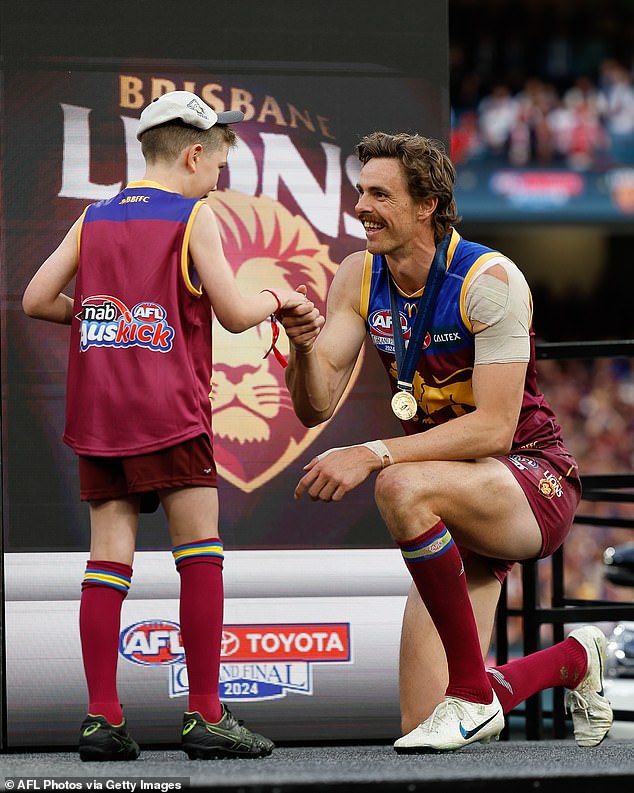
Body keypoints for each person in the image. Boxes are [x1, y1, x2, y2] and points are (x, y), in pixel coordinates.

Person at [279, 131, 613, 752]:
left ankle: (472, 692)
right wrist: (301, 346)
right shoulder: (358, 273)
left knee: (400, 484)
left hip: (529, 478)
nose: (361, 207)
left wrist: (375, 452)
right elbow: (315, 404)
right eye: (360, 191)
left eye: (380, 194)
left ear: (427, 203)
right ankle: (568, 660)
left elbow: (494, 427)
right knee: (420, 727)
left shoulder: (490, 280)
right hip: (449, 494)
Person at [22, 90, 313, 761]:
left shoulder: (93, 217)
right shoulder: (193, 217)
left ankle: (102, 717)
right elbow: (238, 313)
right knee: (199, 556)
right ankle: (206, 714)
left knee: (107, 563)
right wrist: (283, 296)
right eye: (216, 164)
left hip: (98, 415)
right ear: (191, 155)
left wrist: (100, 321)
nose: (218, 177)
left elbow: (37, 298)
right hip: (170, 413)